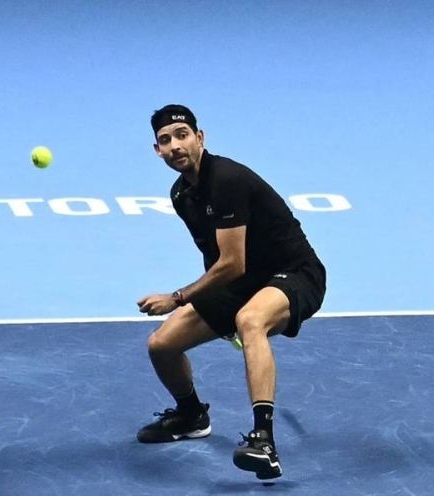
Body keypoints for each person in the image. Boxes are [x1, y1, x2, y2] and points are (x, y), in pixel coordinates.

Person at [134, 104, 326, 480]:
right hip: (245, 282)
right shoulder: (181, 194)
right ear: (157, 150)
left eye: (182, 135)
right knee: (162, 345)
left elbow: (232, 263)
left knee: (250, 320)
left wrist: (177, 298)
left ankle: (264, 442)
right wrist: (216, 311)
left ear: (200, 138)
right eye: (165, 140)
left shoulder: (226, 179)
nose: (175, 146)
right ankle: (191, 415)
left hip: (295, 273)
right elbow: (216, 259)